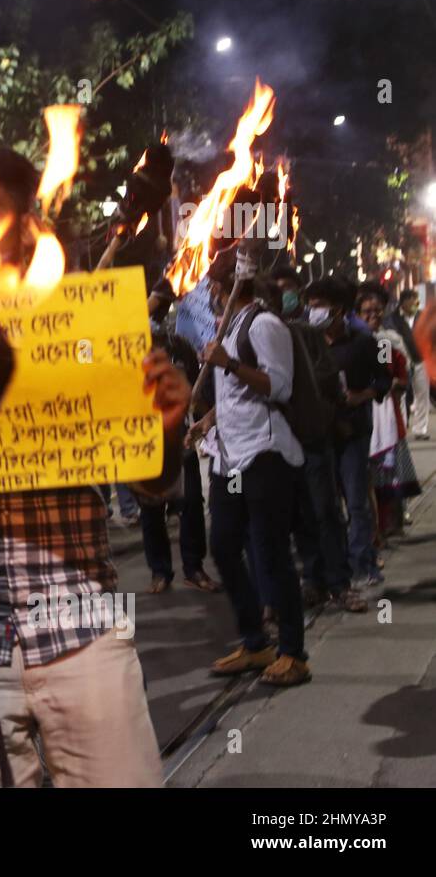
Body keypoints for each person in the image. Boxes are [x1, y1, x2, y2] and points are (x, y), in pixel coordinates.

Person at [0, 144, 191, 787]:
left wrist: (166, 430)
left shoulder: (88, 323)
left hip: (82, 635)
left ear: (25, 225)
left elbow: (153, 487)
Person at [199, 251, 310, 686]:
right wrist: (207, 422)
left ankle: (294, 653)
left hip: (265, 454)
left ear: (230, 287)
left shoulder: (264, 325)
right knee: (224, 545)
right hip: (230, 457)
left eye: (213, 285)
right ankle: (255, 642)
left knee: (271, 554)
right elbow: (232, 398)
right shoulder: (226, 328)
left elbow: (279, 386)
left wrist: (228, 364)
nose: (209, 293)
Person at [304, 278, 391, 587]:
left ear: (338, 310)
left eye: (318, 307)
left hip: (354, 431)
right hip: (320, 433)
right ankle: (335, 568)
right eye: (310, 307)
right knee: (326, 506)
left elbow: (384, 381)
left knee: (356, 501)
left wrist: (361, 395)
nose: (312, 313)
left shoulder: (367, 341)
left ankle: (364, 565)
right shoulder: (306, 341)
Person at [141, 324, 221, 594]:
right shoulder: (127, 350)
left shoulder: (181, 347)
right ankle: (160, 571)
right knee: (151, 509)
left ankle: (194, 568)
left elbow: (196, 390)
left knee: (191, 504)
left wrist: (204, 420)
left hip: (180, 442)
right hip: (146, 445)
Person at [358, 289, 421, 543]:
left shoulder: (385, 341)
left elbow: (391, 374)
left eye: (376, 310)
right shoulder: (353, 339)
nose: (373, 315)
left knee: (388, 473)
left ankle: (388, 524)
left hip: (386, 416)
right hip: (363, 416)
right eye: (366, 311)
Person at [392, 288, 429, 440]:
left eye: (416, 301)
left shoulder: (422, 316)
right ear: (403, 302)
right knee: (400, 397)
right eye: (412, 301)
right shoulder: (392, 319)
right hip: (402, 363)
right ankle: (400, 428)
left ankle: (420, 429)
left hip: (420, 361)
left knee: (422, 395)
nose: (415, 304)